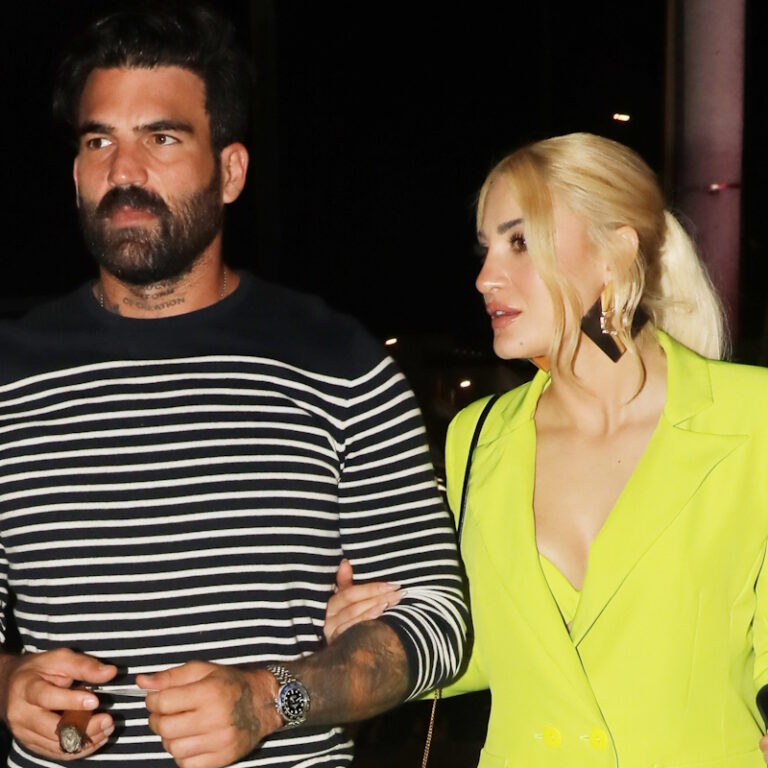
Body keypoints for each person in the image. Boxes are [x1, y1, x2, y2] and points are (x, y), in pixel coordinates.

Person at [0, 4, 468, 767]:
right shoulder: (11, 376)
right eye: (99, 141)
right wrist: (8, 685)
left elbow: (436, 624)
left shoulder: (338, 364)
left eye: (162, 138)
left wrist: (271, 700)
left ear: (231, 171)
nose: (124, 172)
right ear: (76, 171)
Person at [324, 133, 768, 767]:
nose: (485, 278)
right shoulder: (478, 436)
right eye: (486, 248)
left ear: (616, 253)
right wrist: (390, 633)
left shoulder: (753, 419)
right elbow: (482, 654)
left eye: (521, 242)